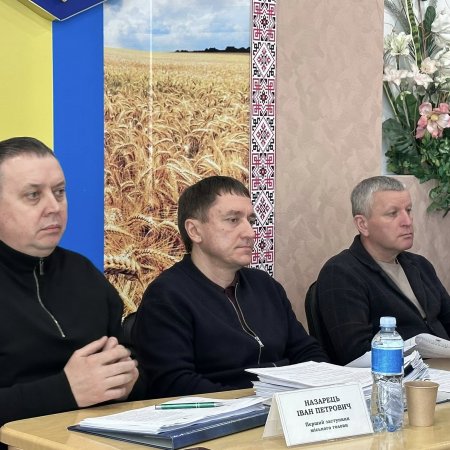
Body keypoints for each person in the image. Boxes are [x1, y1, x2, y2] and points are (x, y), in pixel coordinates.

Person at [133, 175, 328, 398]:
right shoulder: (167, 296)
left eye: (250, 221)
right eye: (233, 220)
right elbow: (174, 384)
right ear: (194, 231)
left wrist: (323, 387)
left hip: (284, 407)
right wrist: (255, 403)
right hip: (220, 413)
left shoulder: (265, 285)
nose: (250, 233)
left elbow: (307, 351)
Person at [0, 137, 139, 428]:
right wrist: (64, 391)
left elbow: (131, 361)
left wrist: (128, 379)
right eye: (33, 195)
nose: (54, 206)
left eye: (59, 192)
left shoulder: (83, 272)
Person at [316, 176, 450, 365]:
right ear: (363, 224)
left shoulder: (420, 265)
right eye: (393, 213)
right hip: (396, 376)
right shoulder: (341, 273)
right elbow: (355, 354)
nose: (407, 221)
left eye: (408, 210)